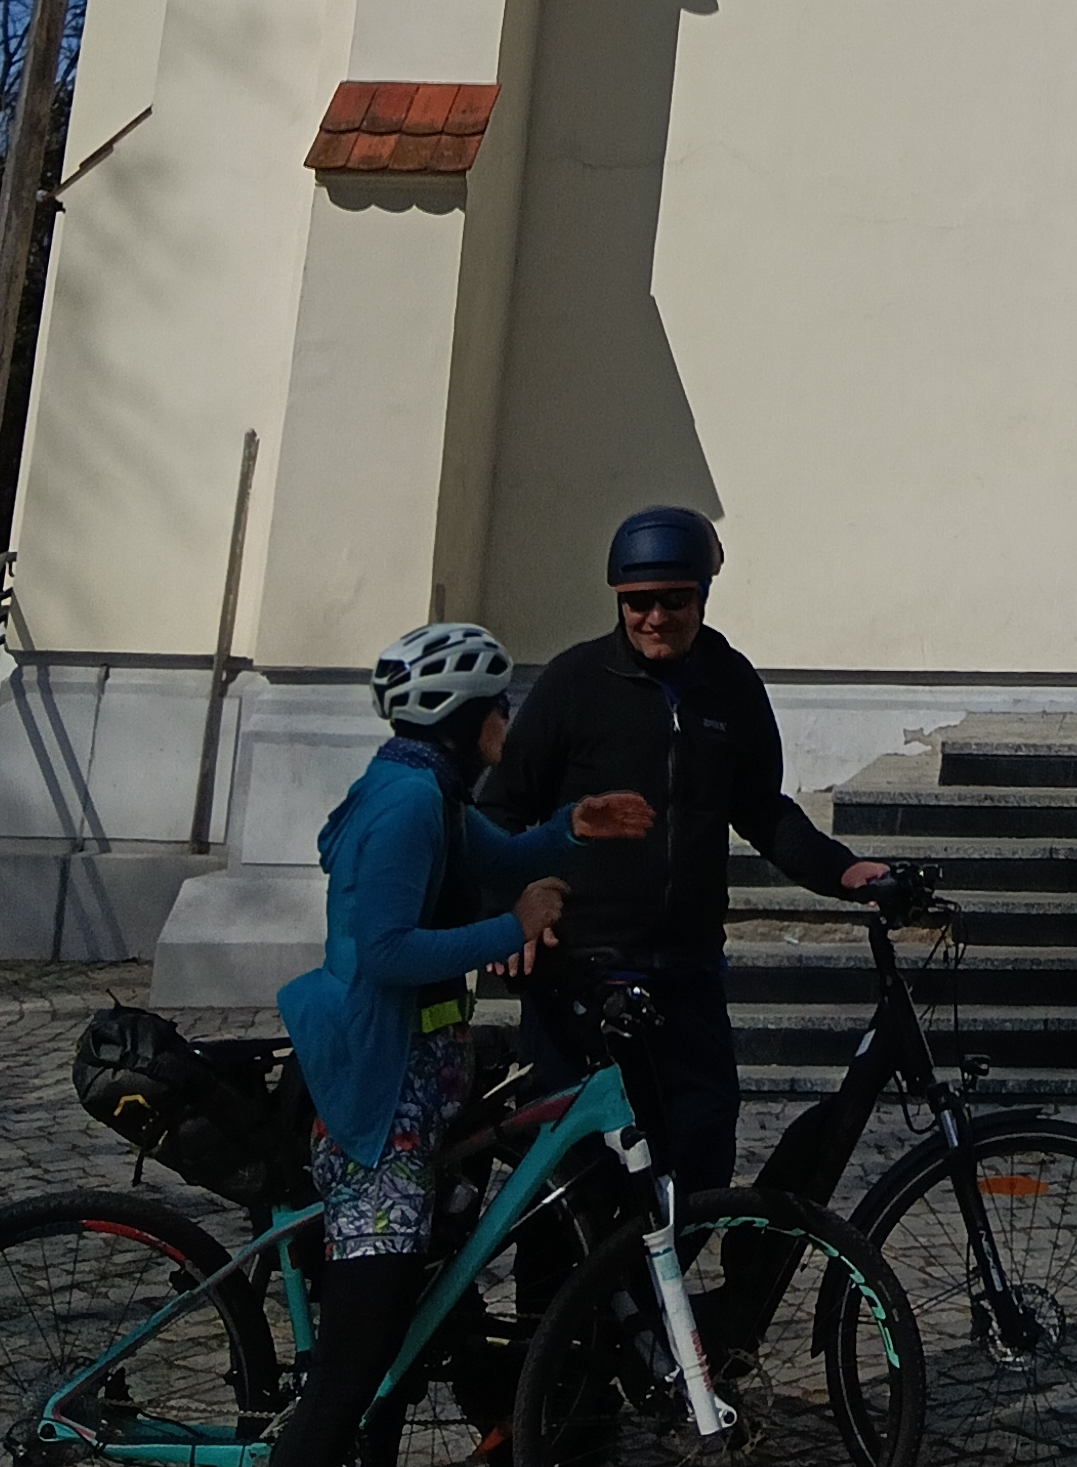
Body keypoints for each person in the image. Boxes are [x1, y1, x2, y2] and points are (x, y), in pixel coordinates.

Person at [270, 620, 652, 1467]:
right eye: (498, 706)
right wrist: (512, 928)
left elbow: (500, 858)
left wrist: (572, 827)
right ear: (467, 717)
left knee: (396, 1346)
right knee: (350, 1374)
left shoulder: (430, 791)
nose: (506, 721)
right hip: (380, 1111)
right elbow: (385, 951)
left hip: (417, 1092)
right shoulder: (409, 804)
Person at [492, 507, 890, 1197]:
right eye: (638, 603)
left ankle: (667, 1276)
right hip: (580, 980)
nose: (655, 618)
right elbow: (499, 808)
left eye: (673, 601)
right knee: (576, 1187)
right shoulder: (574, 683)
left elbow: (762, 808)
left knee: (700, 1161)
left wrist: (842, 870)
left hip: (688, 978)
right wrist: (508, 906)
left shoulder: (730, 685)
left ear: (702, 597)